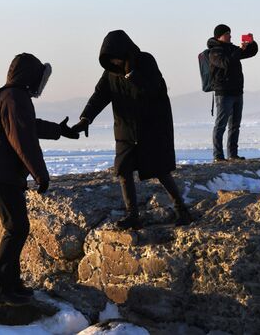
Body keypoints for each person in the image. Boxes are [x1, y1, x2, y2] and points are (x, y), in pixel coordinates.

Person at [0, 53, 79, 306]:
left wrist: (60, 130)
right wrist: (40, 174)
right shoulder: (15, 97)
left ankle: (12, 284)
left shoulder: (6, 95)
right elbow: (23, 140)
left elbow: (28, 125)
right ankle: (0, 292)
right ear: (30, 75)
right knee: (16, 228)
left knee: (17, 227)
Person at [71, 30, 192, 230]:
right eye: (111, 60)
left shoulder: (146, 61)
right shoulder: (110, 72)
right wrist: (86, 118)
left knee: (160, 170)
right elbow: (99, 95)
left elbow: (154, 89)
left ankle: (182, 210)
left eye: (118, 58)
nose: (115, 63)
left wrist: (131, 75)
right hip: (125, 130)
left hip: (151, 128)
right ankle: (132, 215)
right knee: (123, 171)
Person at [208, 24, 258, 162]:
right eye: (227, 33)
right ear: (219, 36)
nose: (230, 35)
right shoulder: (214, 52)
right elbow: (226, 63)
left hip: (237, 92)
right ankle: (218, 156)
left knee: (235, 125)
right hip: (223, 93)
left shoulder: (232, 49)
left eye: (230, 33)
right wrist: (238, 51)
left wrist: (251, 43)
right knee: (221, 125)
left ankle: (233, 154)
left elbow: (250, 53)